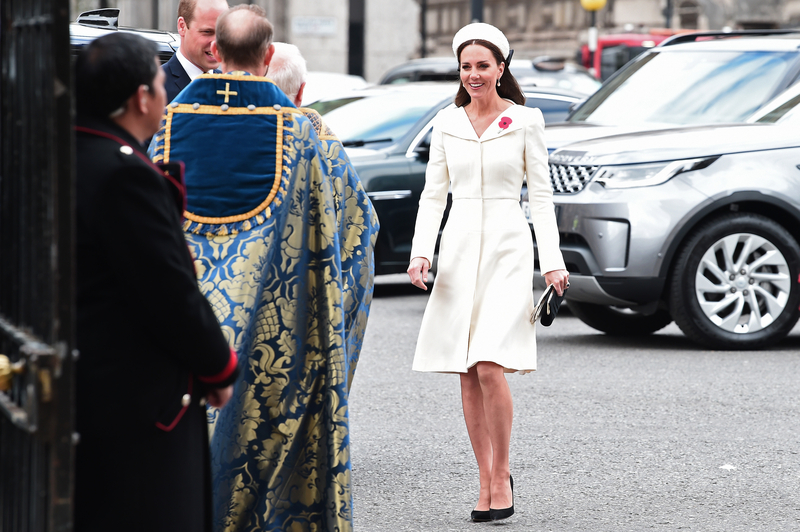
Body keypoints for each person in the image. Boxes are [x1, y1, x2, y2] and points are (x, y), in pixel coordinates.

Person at [150, 5, 379, 531]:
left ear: (215, 51)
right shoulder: (305, 135)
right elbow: (353, 232)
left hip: (190, 336)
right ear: (269, 55)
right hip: (278, 339)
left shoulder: (165, 127)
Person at [74, 32, 239, 532]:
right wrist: (218, 368)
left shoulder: (68, 152)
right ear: (141, 97)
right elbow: (168, 289)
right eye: (158, 84)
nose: (166, 95)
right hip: (135, 396)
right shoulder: (125, 173)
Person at [406, 22, 569, 523]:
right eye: (466, 66)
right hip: (456, 250)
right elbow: (434, 194)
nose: (473, 74)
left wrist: (553, 261)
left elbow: (540, 197)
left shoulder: (527, 121)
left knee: (490, 365)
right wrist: (421, 253)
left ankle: (502, 473)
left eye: (483, 65)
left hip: (508, 248)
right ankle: (483, 477)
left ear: (501, 68)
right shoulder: (446, 122)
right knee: (465, 369)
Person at [162, 0, 229, 102]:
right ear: (182, 26)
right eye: (207, 32)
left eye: (223, 32)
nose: (217, 43)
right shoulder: (155, 87)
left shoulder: (232, 85)